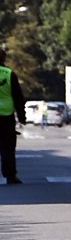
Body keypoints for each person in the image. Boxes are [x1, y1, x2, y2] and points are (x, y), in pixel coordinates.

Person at [0, 48, 26, 184]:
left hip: (6, 116)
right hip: (6, 115)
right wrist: (22, 117)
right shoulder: (9, 74)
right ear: (4, 58)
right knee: (8, 148)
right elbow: (18, 97)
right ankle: (10, 175)